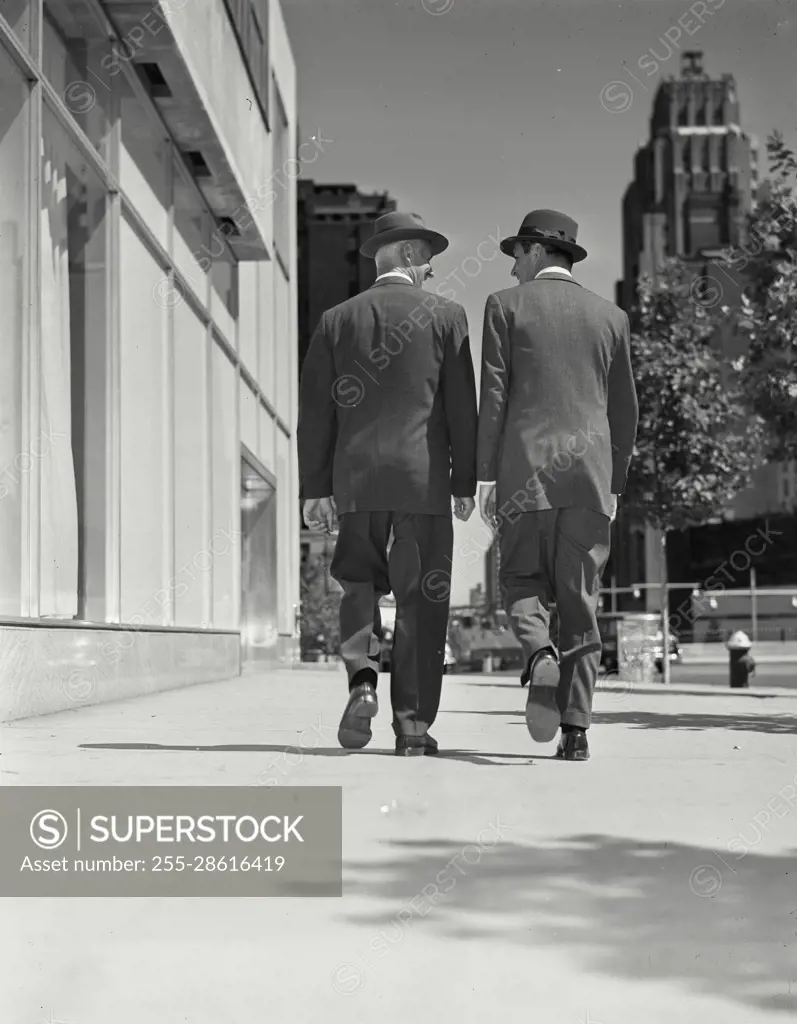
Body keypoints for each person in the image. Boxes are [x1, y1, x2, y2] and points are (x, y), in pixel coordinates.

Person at [298, 211, 478, 756]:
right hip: (422, 484)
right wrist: (464, 480)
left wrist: (315, 488)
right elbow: (461, 411)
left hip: (356, 483)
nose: (431, 269)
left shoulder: (336, 320)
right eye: (427, 257)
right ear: (405, 254)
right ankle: (413, 728)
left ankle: (362, 681)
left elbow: (315, 413)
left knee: (357, 584)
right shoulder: (447, 317)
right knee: (422, 601)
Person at [476, 209, 638, 761]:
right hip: (590, 478)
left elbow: (494, 398)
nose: (514, 265)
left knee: (520, 578)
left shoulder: (503, 306)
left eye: (517, 253)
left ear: (538, 252)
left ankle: (538, 651)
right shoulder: (611, 317)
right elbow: (625, 411)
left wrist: (486, 476)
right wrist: (614, 480)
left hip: (525, 473)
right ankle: (576, 732)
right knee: (581, 601)